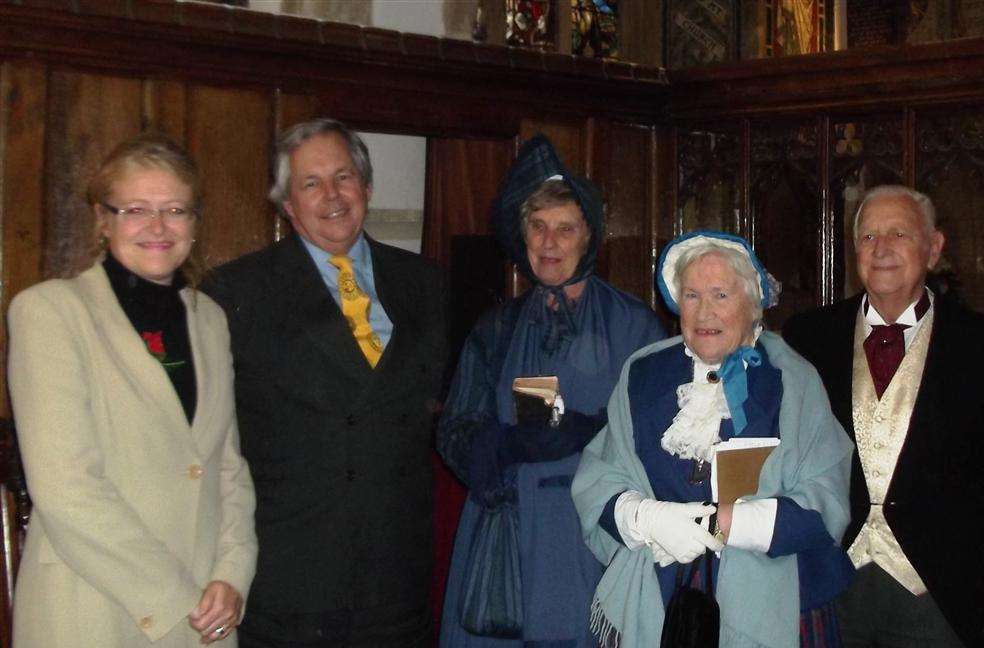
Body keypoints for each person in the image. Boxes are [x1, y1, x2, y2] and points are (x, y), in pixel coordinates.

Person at [202, 118, 448, 647]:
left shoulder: (427, 284)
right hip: (290, 582)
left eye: (343, 177)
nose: (331, 195)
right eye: (311, 183)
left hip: (396, 581)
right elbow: (211, 442)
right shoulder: (234, 292)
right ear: (287, 205)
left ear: (367, 187)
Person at [7, 133, 257, 647]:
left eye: (176, 210)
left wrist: (233, 575)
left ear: (195, 221)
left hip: (205, 612)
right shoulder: (50, 312)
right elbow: (66, 489)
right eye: (136, 209)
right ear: (103, 218)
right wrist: (177, 597)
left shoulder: (209, 320)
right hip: (93, 605)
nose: (159, 227)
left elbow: (227, 466)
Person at [573, 230, 856, 648]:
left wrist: (723, 524)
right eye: (691, 295)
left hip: (775, 598)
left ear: (752, 304)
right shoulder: (643, 373)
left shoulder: (793, 379)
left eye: (721, 295)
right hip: (659, 594)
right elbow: (601, 479)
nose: (704, 311)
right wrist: (648, 518)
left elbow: (824, 499)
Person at [437, 135, 666, 647]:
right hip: (510, 544)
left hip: (594, 542)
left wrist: (592, 432)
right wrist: (498, 451)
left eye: (565, 229)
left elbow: (664, 436)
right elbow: (454, 428)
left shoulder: (635, 327)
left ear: (589, 237)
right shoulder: (497, 328)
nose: (548, 243)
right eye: (537, 227)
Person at [783, 186, 981, 648]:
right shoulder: (807, 338)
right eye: (869, 236)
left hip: (943, 592)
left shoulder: (975, 343)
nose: (882, 249)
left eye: (899, 234)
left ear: (934, 248)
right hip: (831, 579)